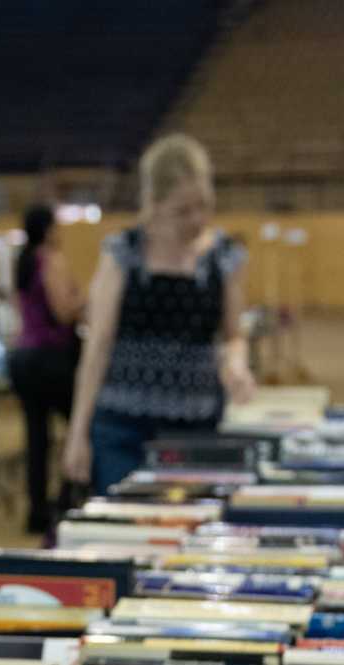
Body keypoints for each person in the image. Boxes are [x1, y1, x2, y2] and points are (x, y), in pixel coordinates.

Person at [64, 135, 255, 491]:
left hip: (196, 427)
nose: (197, 220)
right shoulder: (124, 253)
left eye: (204, 206)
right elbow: (98, 347)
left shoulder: (223, 257)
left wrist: (237, 365)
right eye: (182, 210)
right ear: (153, 204)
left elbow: (234, 335)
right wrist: (78, 433)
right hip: (123, 429)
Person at [6, 204, 83, 533]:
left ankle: (37, 510)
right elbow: (63, 311)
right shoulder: (50, 259)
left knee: (37, 438)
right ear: (49, 228)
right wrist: (86, 300)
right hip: (50, 358)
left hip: (24, 356)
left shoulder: (21, 262)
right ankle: (67, 498)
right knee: (78, 426)